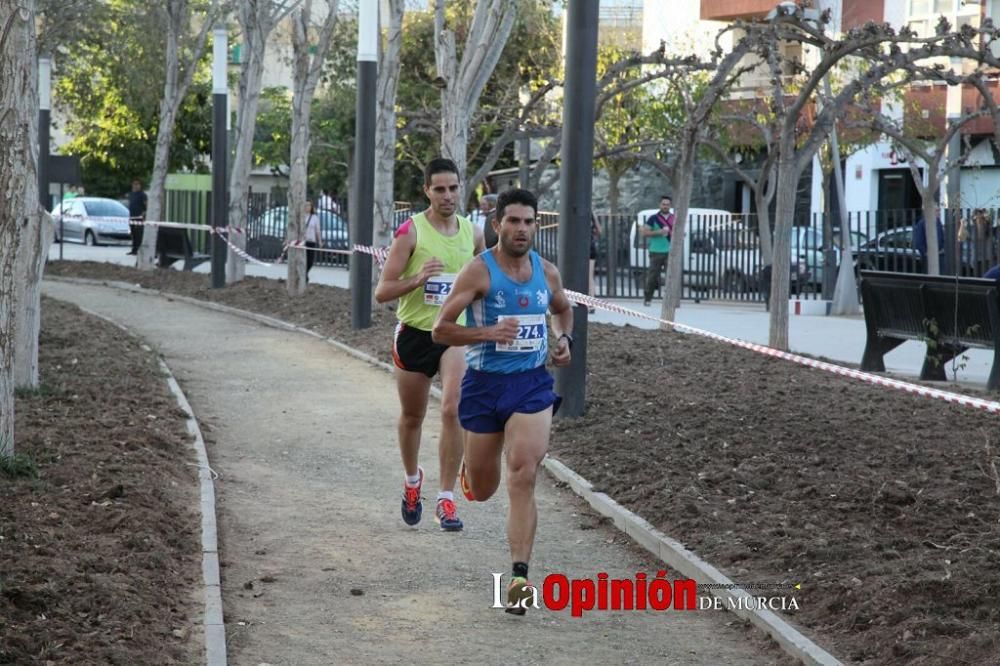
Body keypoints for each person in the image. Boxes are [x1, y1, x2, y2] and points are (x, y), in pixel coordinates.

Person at [431, 187, 573, 614]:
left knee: (523, 473)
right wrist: (486, 334)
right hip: (483, 386)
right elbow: (441, 330)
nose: (522, 229)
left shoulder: (546, 272)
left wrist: (563, 338)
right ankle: (470, 477)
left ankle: (519, 579)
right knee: (486, 486)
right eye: (513, 221)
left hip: (531, 386)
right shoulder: (478, 272)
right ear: (497, 225)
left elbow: (563, 309)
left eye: (529, 222)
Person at [374, 158, 485, 531]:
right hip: (415, 334)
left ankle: (446, 499)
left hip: (453, 333)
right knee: (412, 417)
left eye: (453, 188)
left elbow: (485, 286)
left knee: (453, 407)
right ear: (426, 191)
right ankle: (411, 481)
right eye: (439, 189)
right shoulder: (410, 233)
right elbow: (382, 291)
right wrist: (417, 278)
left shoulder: (474, 234)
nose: (448, 195)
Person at [641, 195, 674, 306]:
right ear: (660, 205)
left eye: (667, 204)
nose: (665, 206)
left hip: (671, 252)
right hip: (656, 251)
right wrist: (658, 232)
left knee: (671, 277)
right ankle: (648, 299)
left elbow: (679, 232)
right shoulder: (653, 218)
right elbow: (644, 233)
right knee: (652, 276)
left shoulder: (674, 218)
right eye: (663, 204)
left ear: (670, 206)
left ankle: (669, 300)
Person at [127, 179, 147, 255]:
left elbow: (146, 205)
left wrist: (143, 214)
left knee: (139, 234)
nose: (135, 186)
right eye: (134, 184)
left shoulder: (142, 195)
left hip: (139, 217)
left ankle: (139, 250)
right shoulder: (131, 194)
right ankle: (134, 250)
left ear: (140, 185)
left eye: (137, 184)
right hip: (132, 217)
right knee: (133, 234)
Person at [303, 200, 322, 281]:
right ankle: (304, 276)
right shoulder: (302, 217)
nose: (307, 207)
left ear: (311, 207)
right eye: (306, 205)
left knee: (310, 261)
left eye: (309, 205)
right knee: (303, 260)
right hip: (303, 242)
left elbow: (317, 230)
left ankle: (305, 273)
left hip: (312, 241)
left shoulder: (315, 218)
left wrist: (320, 241)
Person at [589, 213, 601, 311]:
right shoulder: (592, 215)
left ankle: (590, 302)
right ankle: (591, 303)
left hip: (582, 247)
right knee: (589, 276)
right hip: (590, 246)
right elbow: (599, 231)